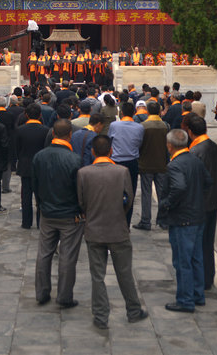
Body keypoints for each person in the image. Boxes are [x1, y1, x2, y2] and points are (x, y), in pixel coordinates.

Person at [77, 135, 149, 329]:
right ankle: (133, 310)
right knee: (124, 272)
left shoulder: (83, 173)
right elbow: (129, 199)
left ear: (92, 152)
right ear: (111, 151)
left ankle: (101, 316)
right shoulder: (122, 171)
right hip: (118, 229)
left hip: (94, 230)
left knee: (97, 275)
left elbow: (82, 202)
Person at [32, 119, 84, 308]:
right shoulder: (75, 159)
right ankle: (64, 296)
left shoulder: (39, 156)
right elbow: (80, 191)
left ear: (53, 134)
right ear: (70, 135)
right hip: (70, 215)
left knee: (44, 253)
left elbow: (35, 186)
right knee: (67, 256)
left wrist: (41, 204)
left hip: (47, 212)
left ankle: (42, 292)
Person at [160, 129, 212, 313]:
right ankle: (198, 294)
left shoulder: (174, 165)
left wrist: (167, 203)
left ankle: (185, 299)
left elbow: (179, 187)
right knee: (196, 258)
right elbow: (208, 181)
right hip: (198, 216)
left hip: (183, 219)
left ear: (170, 145)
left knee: (183, 261)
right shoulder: (195, 160)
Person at [184, 114, 217, 290]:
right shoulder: (214, 147)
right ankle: (208, 277)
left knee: (196, 244)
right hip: (212, 201)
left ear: (190, 132)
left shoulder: (195, 152)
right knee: (208, 242)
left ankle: (199, 280)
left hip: (199, 204)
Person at [133, 101, 169, 231]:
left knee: (146, 193)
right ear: (159, 111)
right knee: (162, 193)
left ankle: (145, 220)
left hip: (146, 163)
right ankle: (164, 220)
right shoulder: (165, 126)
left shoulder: (143, 126)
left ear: (147, 111)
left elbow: (138, 145)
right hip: (161, 163)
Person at [107, 101, 144, 227]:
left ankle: (114, 221)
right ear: (134, 113)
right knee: (130, 193)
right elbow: (139, 144)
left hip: (116, 161)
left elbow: (109, 141)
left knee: (114, 192)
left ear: (121, 113)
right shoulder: (139, 128)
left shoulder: (114, 125)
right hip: (132, 162)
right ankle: (126, 223)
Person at [15, 103, 51, 229]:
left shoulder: (20, 130)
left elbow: (17, 149)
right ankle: (40, 222)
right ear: (40, 115)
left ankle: (26, 222)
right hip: (41, 166)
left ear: (26, 115)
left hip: (25, 165)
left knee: (26, 195)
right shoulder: (46, 130)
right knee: (41, 196)